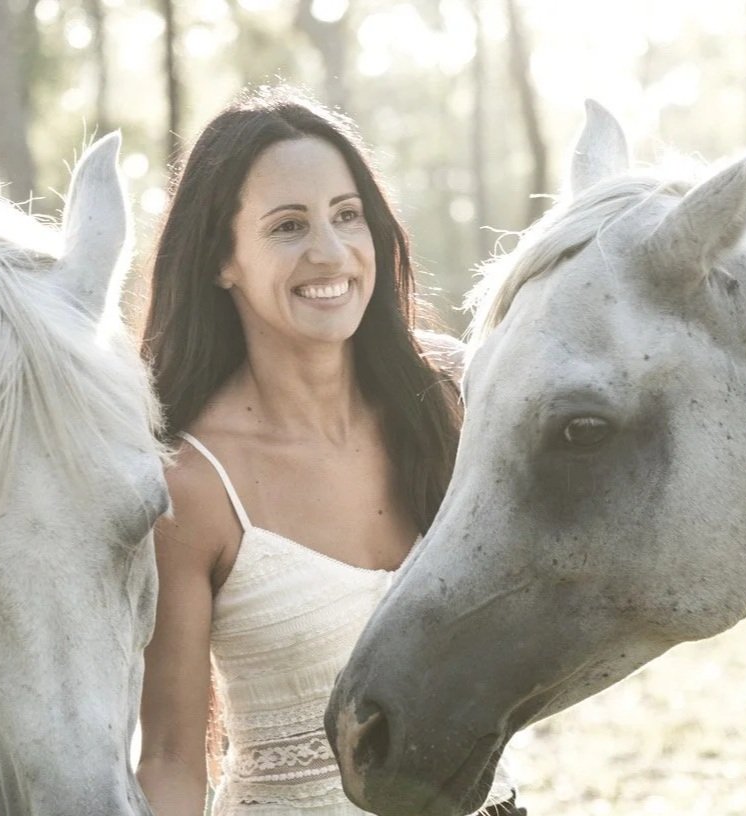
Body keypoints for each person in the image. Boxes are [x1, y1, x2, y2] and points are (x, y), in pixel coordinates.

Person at [136, 86, 522, 816]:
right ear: (223, 260)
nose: (330, 252)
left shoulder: (446, 396)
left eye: (347, 216)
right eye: (288, 226)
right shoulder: (190, 486)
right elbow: (170, 758)